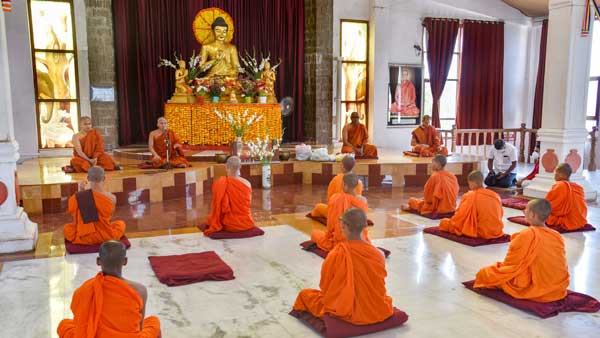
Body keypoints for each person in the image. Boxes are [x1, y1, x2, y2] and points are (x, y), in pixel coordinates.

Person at [294, 208, 394, 325]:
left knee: (305, 295)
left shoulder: (337, 253)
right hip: (377, 310)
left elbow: (325, 286)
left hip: (346, 311)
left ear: (344, 227)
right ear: (365, 227)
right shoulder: (378, 254)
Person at [57, 240, 161, 337]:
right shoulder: (140, 290)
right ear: (125, 261)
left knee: (64, 325)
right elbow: (139, 327)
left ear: (98, 261)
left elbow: (80, 321)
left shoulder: (83, 290)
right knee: (153, 322)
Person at [474, 199, 569, 302]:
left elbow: (511, 264)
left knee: (485, 274)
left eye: (526, 209)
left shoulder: (526, 235)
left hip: (536, 286)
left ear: (532, 215)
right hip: (558, 286)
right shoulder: (556, 235)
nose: (524, 211)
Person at [63, 166, 126, 245]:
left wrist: (81, 191)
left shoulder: (77, 197)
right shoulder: (112, 198)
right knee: (121, 224)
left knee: (67, 228)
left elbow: (74, 215)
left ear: (88, 178)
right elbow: (108, 219)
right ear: (104, 178)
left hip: (84, 237)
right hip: (106, 236)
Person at [311, 173, 370, 252]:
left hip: (340, 240)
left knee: (314, 234)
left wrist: (328, 236)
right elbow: (363, 224)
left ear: (345, 185)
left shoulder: (335, 198)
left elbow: (330, 225)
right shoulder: (362, 201)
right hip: (359, 238)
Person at [439, 171, 504, 239]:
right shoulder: (495, 195)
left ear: (472, 182)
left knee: (444, 223)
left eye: (469, 184)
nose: (469, 186)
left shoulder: (470, 195)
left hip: (481, 231)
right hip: (496, 230)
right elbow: (500, 213)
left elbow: (460, 216)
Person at [203, 156, 255, 235]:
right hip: (246, 223)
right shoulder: (247, 184)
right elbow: (248, 204)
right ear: (240, 167)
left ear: (226, 167)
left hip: (229, 225)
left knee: (211, 218)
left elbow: (219, 206)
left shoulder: (219, 183)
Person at [544, 163, 588, 231]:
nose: (554, 175)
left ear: (561, 174)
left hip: (568, 220)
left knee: (539, 214)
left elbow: (548, 205)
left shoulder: (560, 185)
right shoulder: (578, 187)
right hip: (580, 219)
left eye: (556, 173)